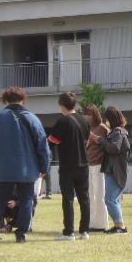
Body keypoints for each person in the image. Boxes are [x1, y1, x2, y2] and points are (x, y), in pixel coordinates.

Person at [0, 86, 50, 244]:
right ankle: (21, 234)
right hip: (28, 167)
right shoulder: (32, 118)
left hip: (5, 167)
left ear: (5, 100)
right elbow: (42, 146)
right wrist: (44, 167)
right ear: (23, 100)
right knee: (27, 201)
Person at [49, 92, 91, 241]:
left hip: (68, 165)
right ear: (75, 104)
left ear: (62, 105)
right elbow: (87, 142)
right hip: (84, 165)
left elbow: (52, 140)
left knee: (68, 199)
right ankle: (84, 231)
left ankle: (69, 232)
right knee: (84, 199)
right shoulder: (84, 121)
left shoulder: (63, 121)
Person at [92, 106, 130, 234]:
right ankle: (118, 225)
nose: (105, 121)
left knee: (110, 199)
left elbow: (114, 148)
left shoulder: (119, 132)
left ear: (111, 119)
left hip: (116, 171)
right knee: (114, 200)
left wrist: (101, 140)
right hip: (112, 170)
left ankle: (121, 226)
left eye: (107, 118)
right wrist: (101, 141)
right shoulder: (116, 132)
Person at [83, 104, 110, 231]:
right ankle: (92, 223)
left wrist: (97, 139)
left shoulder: (102, 128)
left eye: (89, 114)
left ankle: (102, 224)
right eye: (85, 114)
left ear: (95, 115)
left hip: (99, 165)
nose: (87, 116)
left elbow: (109, 144)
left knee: (100, 195)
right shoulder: (86, 128)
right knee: (90, 196)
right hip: (88, 165)